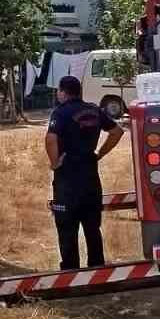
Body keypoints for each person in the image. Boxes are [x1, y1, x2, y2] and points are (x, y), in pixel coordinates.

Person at [45, 75, 125, 269]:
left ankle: (71, 272)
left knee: (67, 228)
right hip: (90, 175)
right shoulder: (94, 110)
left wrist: (55, 163)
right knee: (92, 227)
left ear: (63, 92)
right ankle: (96, 268)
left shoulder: (60, 113)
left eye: (58, 91)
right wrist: (98, 153)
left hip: (67, 179)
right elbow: (117, 132)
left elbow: (50, 139)